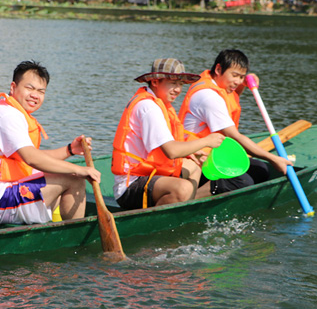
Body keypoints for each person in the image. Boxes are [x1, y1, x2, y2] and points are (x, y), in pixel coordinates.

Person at [0, 61, 100, 225]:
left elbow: (34, 156)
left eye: (41, 91)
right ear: (13, 87)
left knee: (58, 175)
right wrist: (80, 170)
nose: (35, 95)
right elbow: (32, 158)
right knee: (74, 179)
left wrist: (70, 150)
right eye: (30, 88)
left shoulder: (9, 110)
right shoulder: (7, 114)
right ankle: (77, 240)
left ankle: (55, 229)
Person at [112, 58, 225, 210]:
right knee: (182, 188)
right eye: (172, 83)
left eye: (180, 84)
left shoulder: (160, 104)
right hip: (131, 184)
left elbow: (168, 148)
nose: (178, 89)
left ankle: (182, 210)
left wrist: (191, 151)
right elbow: (171, 151)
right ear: (155, 82)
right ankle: (157, 220)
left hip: (150, 173)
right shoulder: (149, 107)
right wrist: (206, 141)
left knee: (194, 166)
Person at [178, 49, 292, 196]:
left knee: (261, 170)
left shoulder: (218, 84)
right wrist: (274, 159)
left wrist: (245, 82)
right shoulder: (209, 97)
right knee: (241, 182)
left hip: (213, 153)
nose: (237, 82)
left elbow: (232, 96)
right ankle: (191, 198)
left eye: (241, 77)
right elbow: (235, 136)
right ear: (218, 69)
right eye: (234, 75)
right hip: (196, 157)